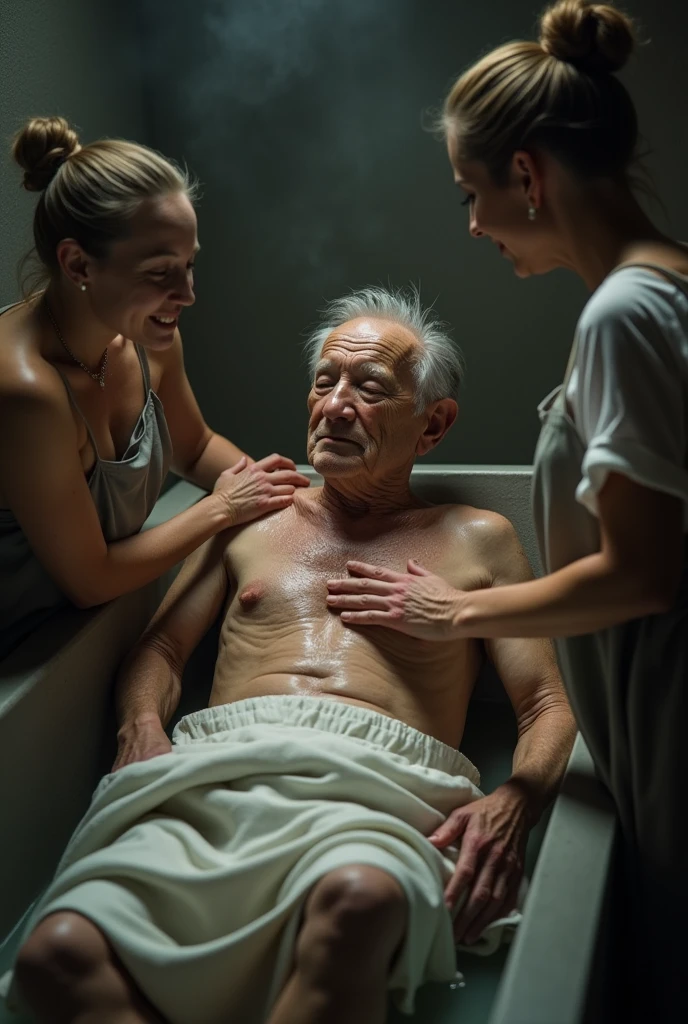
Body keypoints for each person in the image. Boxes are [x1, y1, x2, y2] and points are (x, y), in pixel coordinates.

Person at [9, 288, 575, 1024]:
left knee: (358, 903)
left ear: (433, 424)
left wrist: (512, 806)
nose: (335, 404)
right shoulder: (252, 513)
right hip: (218, 770)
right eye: (324, 381)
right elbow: (164, 649)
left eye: (368, 388)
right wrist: (141, 726)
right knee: (56, 951)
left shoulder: (480, 538)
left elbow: (546, 706)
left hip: (378, 789)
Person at [326, 2, 688, 1018]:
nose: (474, 224)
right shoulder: (663, 286)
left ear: (525, 175)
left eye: (470, 194)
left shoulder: (624, 311)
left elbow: (641, 571)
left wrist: (458, 615)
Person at [0, 116, 309, 661]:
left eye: (190, 265)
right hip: (18, 661)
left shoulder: (147, 338)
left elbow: (193, 447)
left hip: (76, 635)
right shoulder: (27, 392)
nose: (187, 294)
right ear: (78, 264)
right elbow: (90, 580)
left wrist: (301, 505)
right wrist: (222, 509)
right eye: (160, 271)